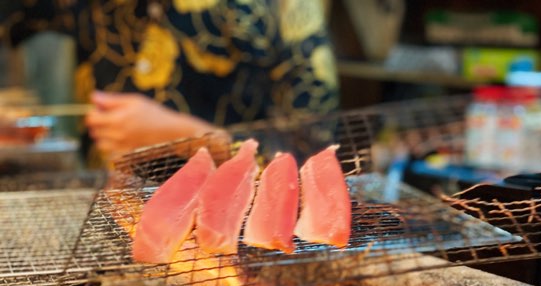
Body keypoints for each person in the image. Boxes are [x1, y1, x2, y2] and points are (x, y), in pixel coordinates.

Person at [1, 0, 339, 164]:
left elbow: (314, 151)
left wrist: (187, 138)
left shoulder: (285, 8)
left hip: (228, 237)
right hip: (102, 213)